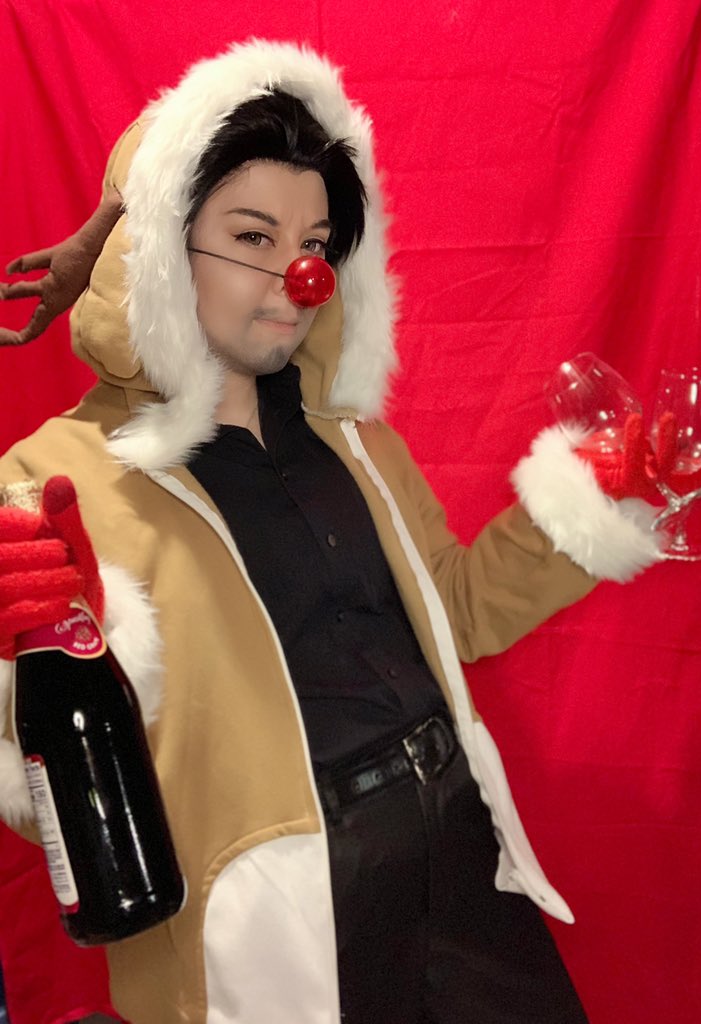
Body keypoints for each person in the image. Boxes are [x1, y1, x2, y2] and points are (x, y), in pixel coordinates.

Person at [0, 39, 666, 1024]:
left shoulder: (352, 439)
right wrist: (38, 662)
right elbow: (47, 790)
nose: (299, 276)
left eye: (313, 242)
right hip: (283, 902)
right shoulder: (51, 481)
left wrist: (589, 496)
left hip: (457, 836)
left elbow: (455, 611)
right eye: (253, 236)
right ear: (158, 251)